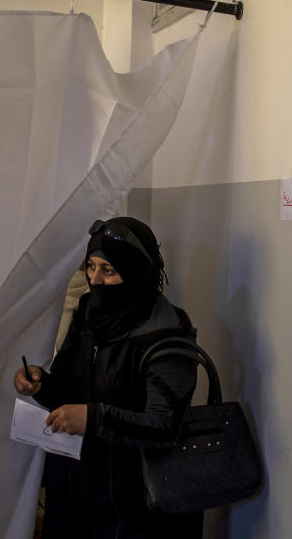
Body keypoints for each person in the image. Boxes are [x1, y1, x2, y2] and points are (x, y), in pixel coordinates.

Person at [14, 217, 203, 538]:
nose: (95, 279)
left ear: (136, 271)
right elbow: (68, 389)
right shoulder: (90, 312)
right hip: (76, 484)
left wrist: (95, 418)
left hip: (132, 498)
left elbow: (165, 426)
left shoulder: (166, 334)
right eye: (91, 266)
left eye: (109, 270)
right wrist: (40, 385)